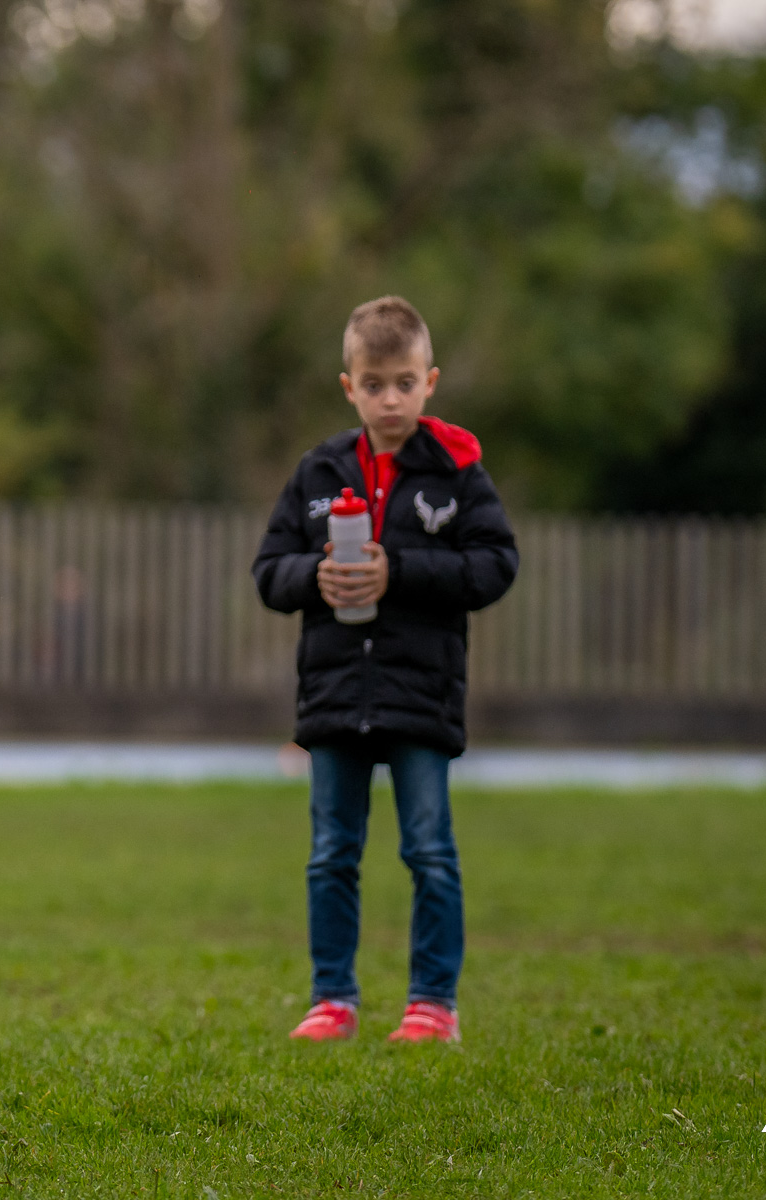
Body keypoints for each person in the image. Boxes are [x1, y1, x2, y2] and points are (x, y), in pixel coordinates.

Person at [252, 296, 517, 1045]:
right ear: (349, 387)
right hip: (334, 699)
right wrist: (315, 580)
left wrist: (399, 572)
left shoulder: (457, 473)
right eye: (374, 384)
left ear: (430, 381)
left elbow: (496, 565)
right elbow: (269, 571)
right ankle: (332, 998)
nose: (390, 398)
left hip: (421, 698)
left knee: (428, 849)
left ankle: (434, 1004)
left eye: (404, 382)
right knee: (332, 852)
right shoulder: (318, 471)